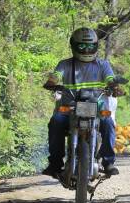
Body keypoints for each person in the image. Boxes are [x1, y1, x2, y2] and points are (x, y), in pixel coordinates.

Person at [42, 28, 121, 178]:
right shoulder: (64, 64)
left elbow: (110, 79)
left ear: (96, 46)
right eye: (82, 46)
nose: (86, 50)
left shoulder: (103, 65)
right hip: (69, 107)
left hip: (97, 108)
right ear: (73, 45)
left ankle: (108, 162)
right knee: (56, 121)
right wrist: (52, 82)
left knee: (108, 122)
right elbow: (56, 75)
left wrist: (115, 87)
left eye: (90, 46)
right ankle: (55, 164)